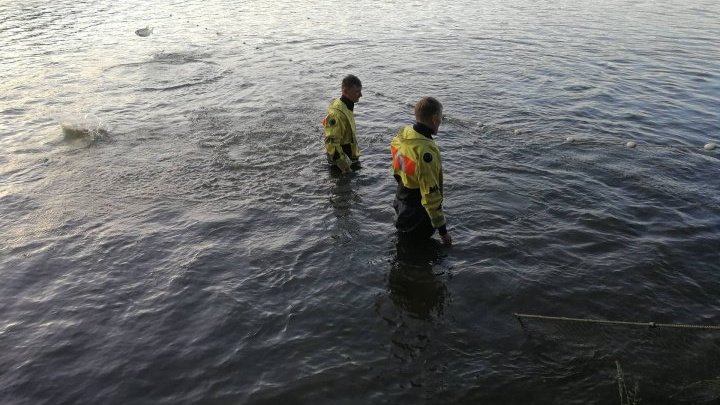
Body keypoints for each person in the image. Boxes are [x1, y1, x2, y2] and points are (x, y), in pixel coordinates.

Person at [390, 96, 452, 245]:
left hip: (401, 199)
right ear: (434, 119)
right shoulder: (426, 152)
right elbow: (431, 196)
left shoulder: (405, 133)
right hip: (416, 214)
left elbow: (396, 156)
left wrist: (403, 179)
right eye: (441, 118)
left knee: (404, 248)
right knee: (419, 253)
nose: (441, 122)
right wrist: (443, 233)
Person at [322, 74, 362, 174]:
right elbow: (332, 145)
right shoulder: (336, 114)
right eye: (357, 92)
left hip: (348, 157)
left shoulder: (346, 106)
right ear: (345, 91)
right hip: (341, 164)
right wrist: (346, 168)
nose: (361, 95)